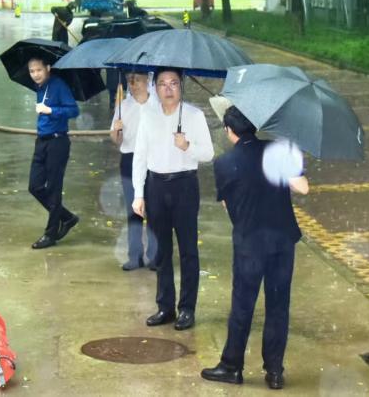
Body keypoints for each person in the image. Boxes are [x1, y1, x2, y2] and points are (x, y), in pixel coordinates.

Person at [201, 107, 309, 390]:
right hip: (282, 241)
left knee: (242, 306)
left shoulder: (225, 163)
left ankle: (232, 367)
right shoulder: (277, 150)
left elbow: (229, 207)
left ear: (229, 131)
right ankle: (274, 372)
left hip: (250, 243)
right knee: (278, 306)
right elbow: (303, 188)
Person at [132, 68, 213, 331]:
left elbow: (208, 153)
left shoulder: (194, 115)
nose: (168, 89)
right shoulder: (148, 116)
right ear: (155, 87)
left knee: (188, 249)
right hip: (156, 185)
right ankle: (165, 306)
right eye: (163, 84)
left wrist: (187, 146)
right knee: (161, 250)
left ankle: (187, 308)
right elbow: (140, 156)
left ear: (181, 86)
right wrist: (138, 193)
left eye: (174, 83)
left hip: (184, 185)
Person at [26, 57, 79, 250]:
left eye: (39, 70)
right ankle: (67, 217)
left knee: (54, 189)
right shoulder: (40, 88)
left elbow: (74, 110)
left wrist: (50, 110)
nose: (35, 74)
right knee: (34, 186)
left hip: (58, 142)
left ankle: (50, 234)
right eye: (32, 71)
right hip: (42, 141)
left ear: (48, 68)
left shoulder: (58, 85)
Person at [109, 71, 157, 271]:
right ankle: (134, 256)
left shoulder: (157, 104)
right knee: (133, 208)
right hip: (129, 158)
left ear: (147, 80)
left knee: (154, 209)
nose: (133, 84)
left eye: (137, 80)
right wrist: (116, 131)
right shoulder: (123, 106)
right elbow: (116, 140)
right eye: (130, 80)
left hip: (153, 160)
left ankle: (155, 255)